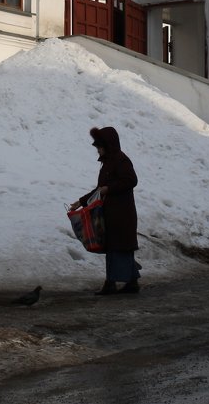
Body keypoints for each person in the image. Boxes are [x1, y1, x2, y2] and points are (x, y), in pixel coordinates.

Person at [72, 126, 140, 295]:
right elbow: (99, 189)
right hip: (113, 215)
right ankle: (131, 283)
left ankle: (111, 284)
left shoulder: (121, 161)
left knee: (118, 249)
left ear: (107, 146)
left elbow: (131, 180)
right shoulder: (109, 162)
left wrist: (108, 189)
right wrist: (80, 202)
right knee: (119, 248)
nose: (98, 151)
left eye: (99, 147)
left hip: (121, 216)